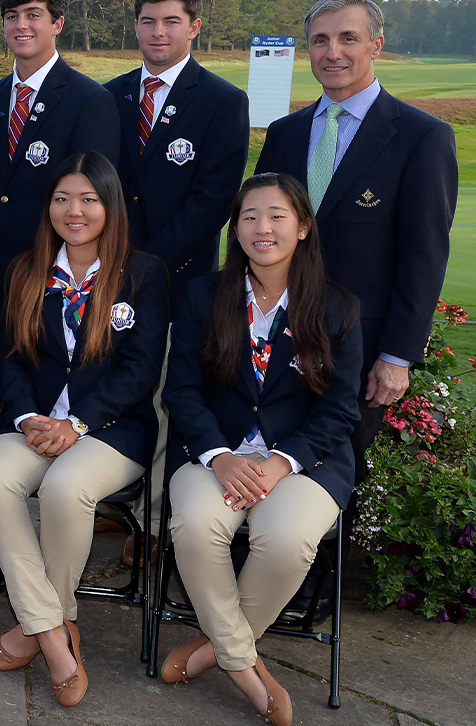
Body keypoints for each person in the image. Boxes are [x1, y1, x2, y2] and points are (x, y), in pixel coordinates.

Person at [160, 174, 361, 726]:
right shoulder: (203, 296)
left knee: (288, 539)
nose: (262, 227)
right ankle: (246, 668)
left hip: (304, 460)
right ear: (235, 228)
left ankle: (213, 651)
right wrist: (219, 457)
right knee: (197, 525)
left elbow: (341, 410)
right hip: (212, 453)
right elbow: (182, 390)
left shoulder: (338, 308)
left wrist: (280, 464)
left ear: (303, 227)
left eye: (276, 215)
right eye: (249, 216)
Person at [0, 152, 167, 707]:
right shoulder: (25, 270)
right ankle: (57, 633)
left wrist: (77, 422)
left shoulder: (144, 273)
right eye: (62, 199)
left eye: (88, 199)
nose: (73, 211)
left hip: (111, 429)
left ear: (110, 206)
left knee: (64, 488)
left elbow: (140, 371)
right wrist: (25, 417)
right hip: (34, 421)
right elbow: (8, 359)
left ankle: (39, 629)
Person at [254, 0, 457, 477]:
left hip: (361, 353)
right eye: (320, 40)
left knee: (334, 481)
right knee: (264, 467)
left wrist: (398, 355)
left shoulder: (421, 137)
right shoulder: (284, 134)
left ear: (376, 45)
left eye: (349, 38)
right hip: (274, 344)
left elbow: (424, 257)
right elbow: (252, 233)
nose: (333, 52)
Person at [103, 0, 250, 566]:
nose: (157, 32)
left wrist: (145, 265)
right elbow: (99, 189)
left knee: (169, 393)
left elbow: (213, 201)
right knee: (110, 385)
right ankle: (111, 501)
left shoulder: (221, 101)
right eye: (147, 20)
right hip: (107, 279)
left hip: (180, 279)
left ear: (194, 27)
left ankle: (157, 522)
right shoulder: (108, 96)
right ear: (134, 25)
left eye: (170, 21)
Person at [0, 0, 121, 275]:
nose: (21, 25)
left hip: (53, 269)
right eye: (11, 17)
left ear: (58, 24)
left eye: (33, 14)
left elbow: (94, 198)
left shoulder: (90, 100)